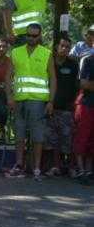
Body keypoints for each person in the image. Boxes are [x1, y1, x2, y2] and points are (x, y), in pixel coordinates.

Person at [5, 23, 57, 181]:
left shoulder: (46, 53)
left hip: (38, 101)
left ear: (40, 36)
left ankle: (36, 168)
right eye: (29, 35)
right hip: (19, 100)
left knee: (37, 136)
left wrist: (50, 101)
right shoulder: (15, 52)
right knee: (19, 134)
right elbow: (8, 77)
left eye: (35, 35)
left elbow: (53, 78)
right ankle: (19, 165)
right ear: (25, 35)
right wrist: (9, 97)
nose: (31, 38)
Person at [44, 36, 78, 177]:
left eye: (67, 47)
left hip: (67, 108)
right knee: (52, 140)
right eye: (62, 46)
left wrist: (74, 104)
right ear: (56, 46)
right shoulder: (49, 61)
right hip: (50, 107)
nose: (64, 49)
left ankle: (71, 167)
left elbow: (76, 86)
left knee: (68, 139)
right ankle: (55, 167)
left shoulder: (73, 64)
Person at [73, 54, 94, 185]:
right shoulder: (87, 60)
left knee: (92, 140)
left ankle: (89, 170)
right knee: (82, 138)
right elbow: (84, 84)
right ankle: (81, 170)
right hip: (86, 105)